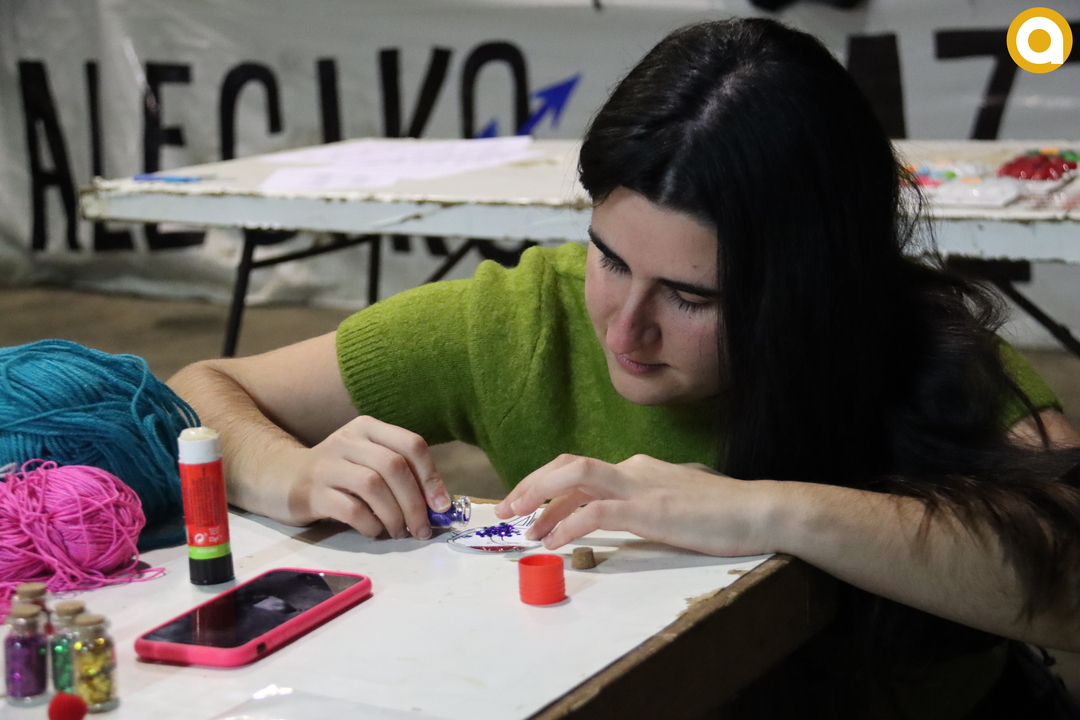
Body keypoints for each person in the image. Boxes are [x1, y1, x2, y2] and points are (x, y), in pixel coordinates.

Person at [168, 17, 1080, 718]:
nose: (624, 328)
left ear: (807, 292)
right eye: (608, 256)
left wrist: (763, 510)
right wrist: (291, 472)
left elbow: (1070, 584)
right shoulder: (527, 320)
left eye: (692, 297)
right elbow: (201, 393)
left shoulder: (917, 349)